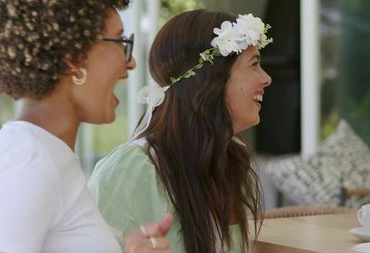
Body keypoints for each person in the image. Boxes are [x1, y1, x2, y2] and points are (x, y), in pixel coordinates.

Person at [0, 1, 172, 252]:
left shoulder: (45, 155)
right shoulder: (28, 162)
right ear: (74, 58)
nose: (130, 64)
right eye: (120, 42)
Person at [88, 9, 273, 253]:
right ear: (211, 78)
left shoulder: (233, 159)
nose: (267, 78)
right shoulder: (131, 172)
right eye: (254, 65)